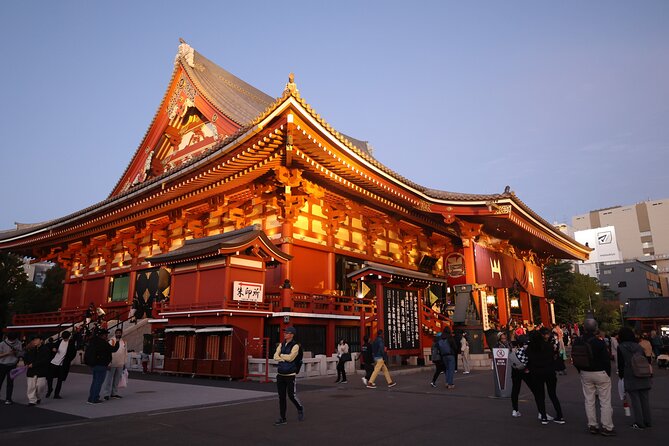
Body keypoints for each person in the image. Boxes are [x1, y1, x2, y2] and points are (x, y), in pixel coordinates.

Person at [573, 316, 615, 436]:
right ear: (596, 328)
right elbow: (606, 359)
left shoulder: (578, 340)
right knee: (605, 400)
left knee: (589, 400)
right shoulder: (599, 341)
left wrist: (580, 370)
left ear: (584, 328)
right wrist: (607, 373)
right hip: (600, 372)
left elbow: (575, 356)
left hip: (585, 372)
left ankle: (592, 425)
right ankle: (607, 426)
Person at [526, 328, 565, 425]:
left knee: (540, 395)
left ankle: (543, 416)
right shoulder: (549, 346)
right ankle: (560, 415)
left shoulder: (531, 347)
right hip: (549, 371)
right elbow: (553, 357)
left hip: (536, 372)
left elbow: (528, 359)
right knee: (552, 394)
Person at [617, 326, 652, 430]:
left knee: (635, 400)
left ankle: (639, 422)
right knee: (645, 399)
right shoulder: (639, 346)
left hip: (630, 375)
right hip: (643, 374)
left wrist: (621, 376)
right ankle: (647, 421)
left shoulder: (621, 347)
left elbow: (621, 364)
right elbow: (645, 360)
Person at [273, 326, 304, 425]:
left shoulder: (296, 346)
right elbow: (274, 356)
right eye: (285, 332)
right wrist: (282, 358)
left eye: (287, 332)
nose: (284, 334)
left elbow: (291, 358)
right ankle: (283, 418)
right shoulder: (281, 344)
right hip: (280, 374)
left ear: (292, 335)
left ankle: (300, 408)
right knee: (281, 397)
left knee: (291, 395)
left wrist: (281, 356)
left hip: (290, 374)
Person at [84, 328, 119, 404]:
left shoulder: (93, 341)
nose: (107, 336)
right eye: (106, 335)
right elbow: (114, 349)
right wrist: (117, 341)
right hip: (101, 364)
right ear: (103, 335)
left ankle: (91, 398)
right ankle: (95, 398)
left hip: (93, 364)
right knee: (98, 382)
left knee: (94, 381)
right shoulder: (103, 343)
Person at [46, 331, 77, 399]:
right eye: (64, 338)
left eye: (66, 338)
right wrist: (53, 349)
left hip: (63, 364)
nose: (65, 339)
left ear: (69, 337)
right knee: (49, 377)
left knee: (60, 379)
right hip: (54, 362)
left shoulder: (71, 343)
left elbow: (73, 353)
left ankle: (56, 394)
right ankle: (50, 389)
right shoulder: (59, 342)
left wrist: (67, 360)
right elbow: (52, 346)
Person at [23, 335, 51, 406]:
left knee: (40, 386)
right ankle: (32, 400)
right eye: (34, 340)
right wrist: (26, 363)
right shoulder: (31, 349)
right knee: (31, 386)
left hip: (41, 371)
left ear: (41, 340)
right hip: (31, 371)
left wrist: (34, 364)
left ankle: (37, 397)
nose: (34, 341)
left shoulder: (46, 349)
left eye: (36, 339)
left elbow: (45, 360)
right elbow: (25, 357)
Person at [102, 328, 128, 400]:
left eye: (120, 333)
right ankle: (106, 394)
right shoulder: (112, 341)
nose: (118, 334)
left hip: (120, 363)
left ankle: (114, 393)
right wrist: (108, 363)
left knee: (117, 380)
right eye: (117, 333)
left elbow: (125, 353)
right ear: (115, 333)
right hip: (112, 363)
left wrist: (124, 363)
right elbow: (108, 352)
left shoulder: (124, 342)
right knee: (108, 380)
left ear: (121, 334)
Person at [511, 335, 532, 417]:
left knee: (515, 390)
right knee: (534, 389)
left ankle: (515, 409)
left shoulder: (515, 350)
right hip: (525, 370)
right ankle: (541, 412)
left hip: (515, 370)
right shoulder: (527, 349)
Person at [0, 332, 24, 404]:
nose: (12, 341)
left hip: (12, 365)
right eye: (11, 340)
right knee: (0, 381)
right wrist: (8, 353)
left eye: (13, 340)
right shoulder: (2, 344)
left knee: (10, 383)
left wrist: (16, 353)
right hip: (2, 365)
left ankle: (8, 399)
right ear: (8, 338)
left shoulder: (18, 343)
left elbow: (20, 354)